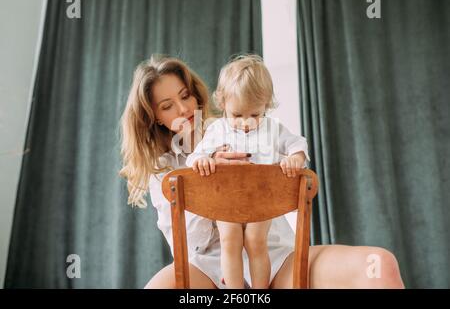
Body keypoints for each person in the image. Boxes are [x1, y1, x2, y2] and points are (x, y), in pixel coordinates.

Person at [119, 55, 405, 289]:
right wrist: (211, 180)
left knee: (380, 264)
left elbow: (294, 152)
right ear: (154, 115)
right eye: (168, 106)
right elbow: (190, 246)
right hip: (210, 269)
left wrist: (291, 159)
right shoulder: (163, 171)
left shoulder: (242, 124)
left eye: (185, 96)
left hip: (275, 256)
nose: (184, 109)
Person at [185, 55, 309, 289]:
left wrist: (295, 158)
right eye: (237, 115)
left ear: (266, 106)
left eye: (255, 115)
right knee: (229, 240)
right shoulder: (217, 130)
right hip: (225, 201)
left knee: (255, 241)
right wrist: (204, 159)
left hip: (261, 200)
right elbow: (194, 158)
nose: (246, 123)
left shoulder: (273, 128)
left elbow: (297, 144)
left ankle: (259, 292)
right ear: (222, 104)